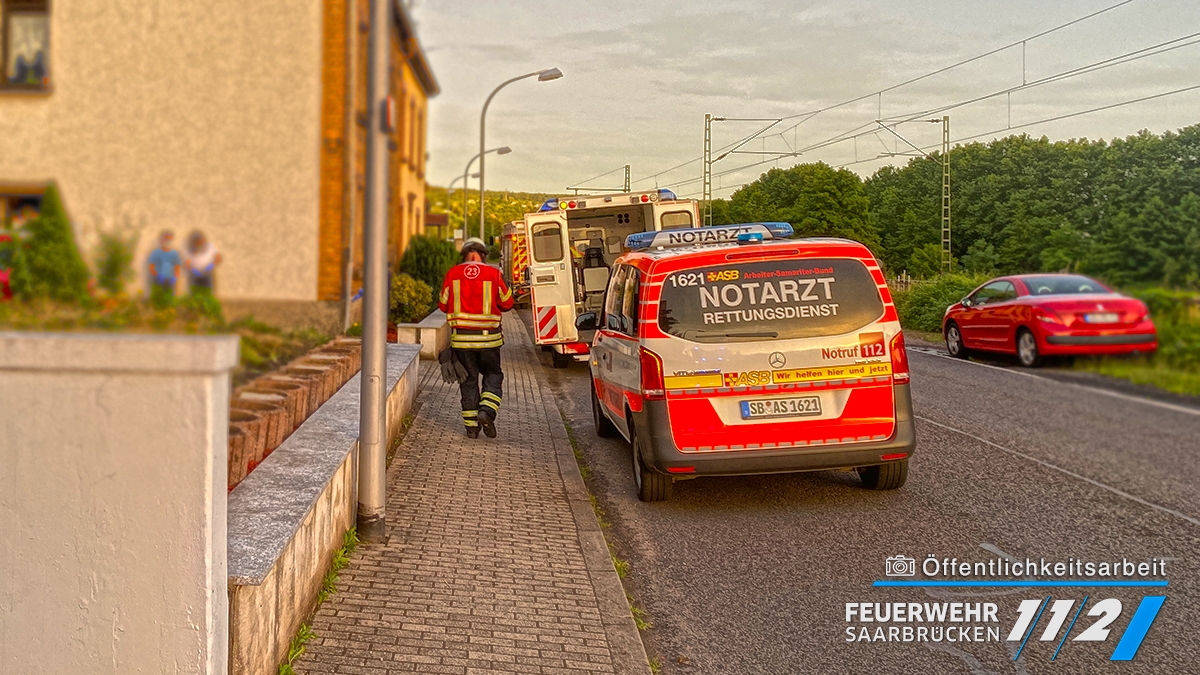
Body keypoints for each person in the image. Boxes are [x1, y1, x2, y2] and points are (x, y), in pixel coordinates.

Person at [438, 237, 514, 438]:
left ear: (464, 254)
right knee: (493, 375)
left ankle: (472, 429)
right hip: (489, 341)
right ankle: (486, 412)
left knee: (469, 381)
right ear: (483, 255)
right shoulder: (494, 273)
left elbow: (443, 305)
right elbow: (507, 303)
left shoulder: (452, 274)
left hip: (462, 342)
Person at [147, 230, 182, 302]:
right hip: (158, 280)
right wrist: (158, 276)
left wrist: (175, 277)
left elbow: (177, 268)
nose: (168, 241)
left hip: (170, 280)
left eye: (170, 239)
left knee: (170, 300)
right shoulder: (155, 253)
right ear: (161, 240)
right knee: (158, 300)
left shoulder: (175, 253)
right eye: (166, 238)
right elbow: (151, 268)